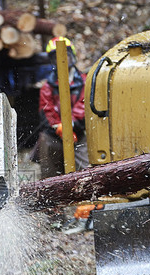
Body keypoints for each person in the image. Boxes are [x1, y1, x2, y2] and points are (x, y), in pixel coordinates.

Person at [33, 36, 89, 179]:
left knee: (85, 162)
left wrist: (70, 125)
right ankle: (50, 190)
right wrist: (59, 127)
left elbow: (83, 105)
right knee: (47, 146)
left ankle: (87, 190)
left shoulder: (84, 81)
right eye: (56, 57)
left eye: (66, 56)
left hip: (79, 133)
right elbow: (47, 110)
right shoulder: (48, 86)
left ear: (73, 56)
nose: (63, 60)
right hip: (55, 135)